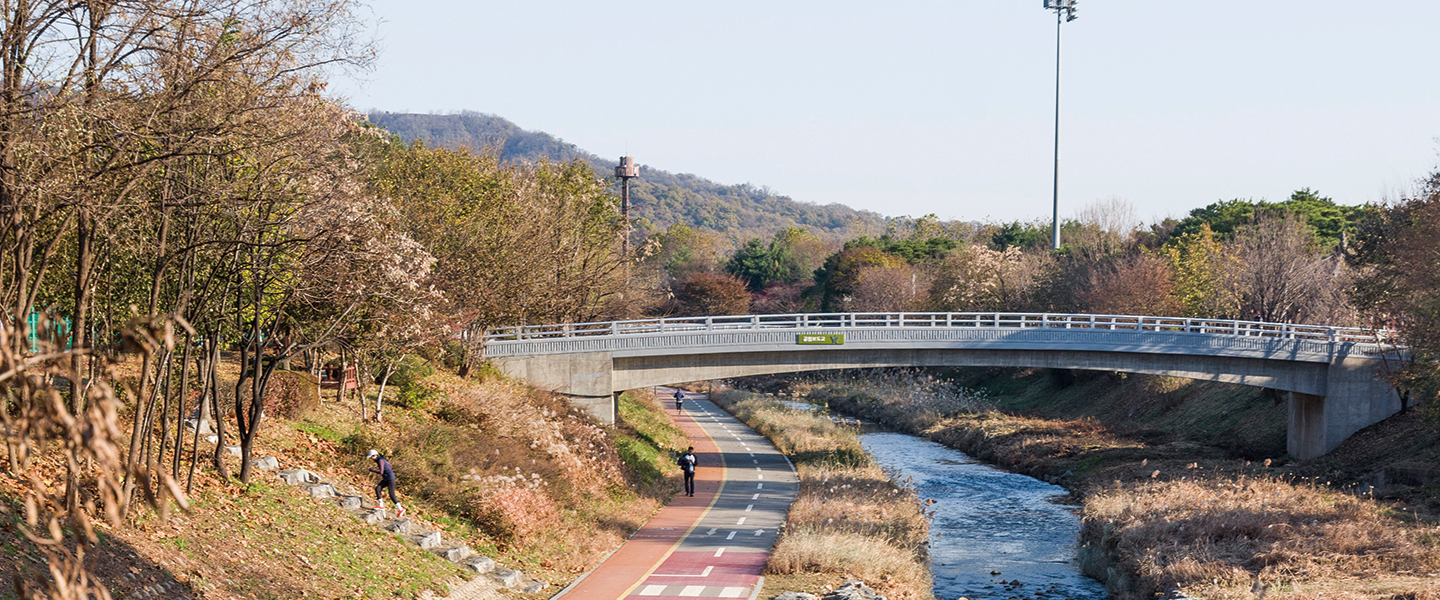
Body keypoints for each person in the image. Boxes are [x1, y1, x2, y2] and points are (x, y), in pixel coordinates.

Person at [368, 449, 406, 517]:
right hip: (387, 478)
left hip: (390, 479)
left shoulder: (380, 460)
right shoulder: (381, 459)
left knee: (391, 495)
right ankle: (381, 505)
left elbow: (381, 472)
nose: (371, 458)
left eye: (371, 457)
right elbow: (389, 464)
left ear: (374, 455)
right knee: (377, 489)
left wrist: (372, 470)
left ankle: (401, 509)